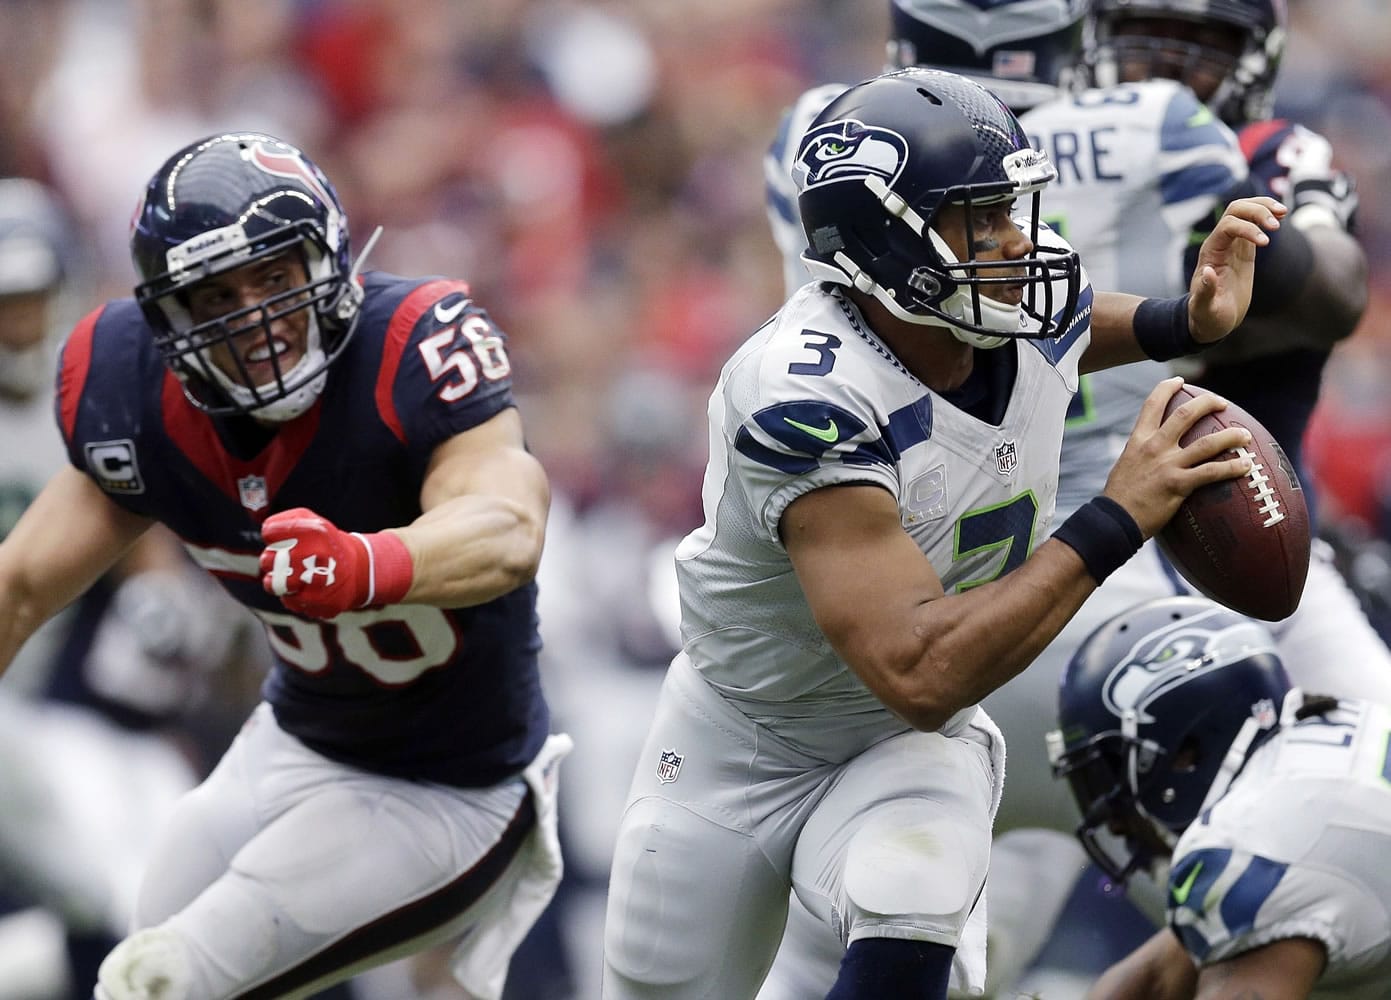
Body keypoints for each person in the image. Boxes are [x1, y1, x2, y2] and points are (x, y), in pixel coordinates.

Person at [602, 64, 1281, 1000]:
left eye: (1013, 208)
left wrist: (1180, 319)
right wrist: (1118, 514)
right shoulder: (806, 398)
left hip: (904, 743)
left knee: (912, 885)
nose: (1018, 241)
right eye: (983, 217)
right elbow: (920, 668)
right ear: (886, 240)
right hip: (744, 740)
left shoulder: (997, 304)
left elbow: (1074, 324)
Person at [0, 131, 569, 1000]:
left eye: (274, 276)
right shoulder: (134, 393)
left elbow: (507, 526)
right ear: (171, 319)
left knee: (163, 982)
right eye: (217, 294)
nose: (257, 317)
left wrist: (366, 564)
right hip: (295, 741)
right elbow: (21, 585)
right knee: (141, 944)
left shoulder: (410, 346)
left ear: (331, 262)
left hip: (454, 789)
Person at [1048, 595, 1391, 998]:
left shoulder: (1248, 845)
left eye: (1110, 774)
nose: (1115, 820)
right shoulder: (1337, 736)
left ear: (1187, 752)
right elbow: (1151, 981)